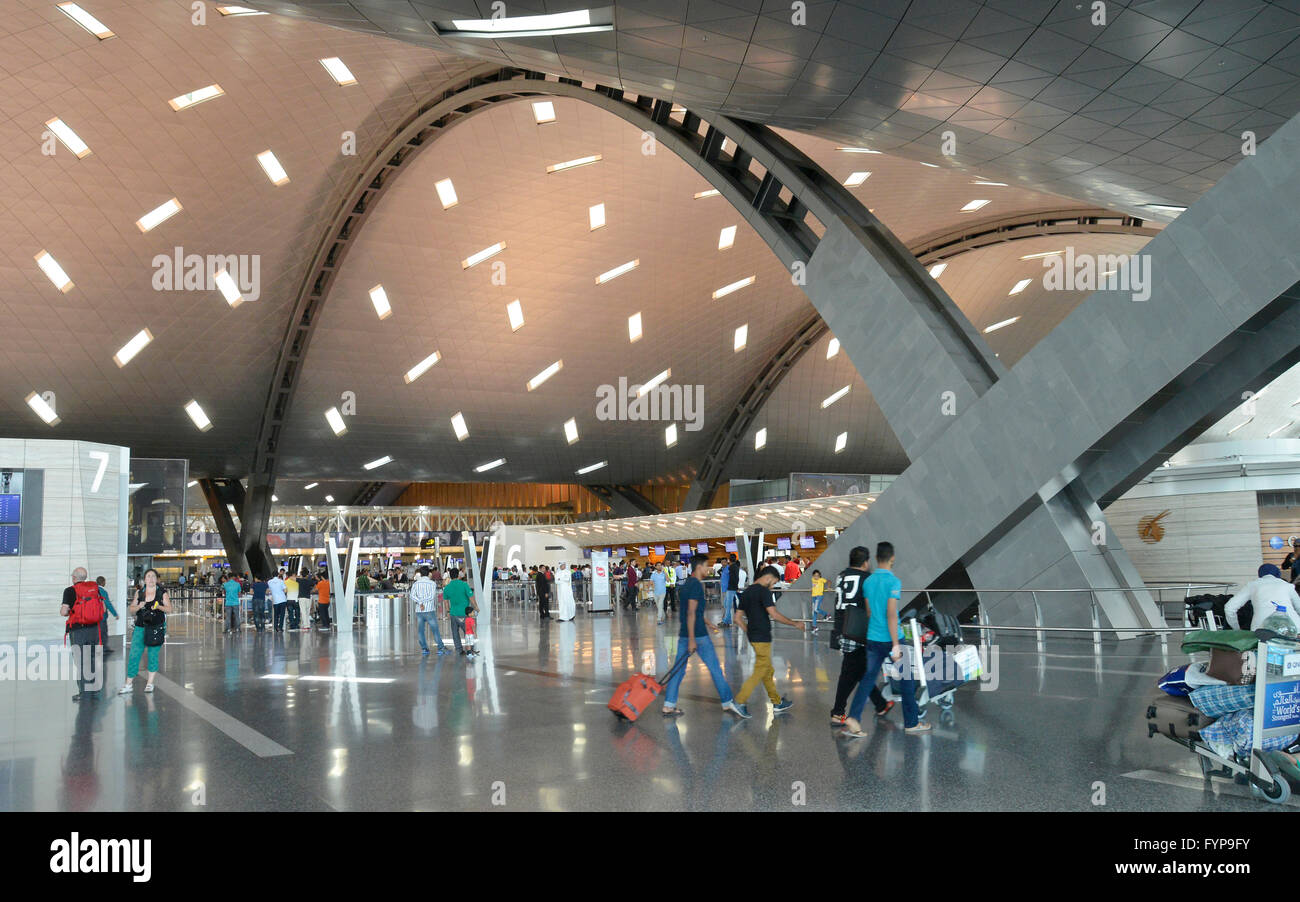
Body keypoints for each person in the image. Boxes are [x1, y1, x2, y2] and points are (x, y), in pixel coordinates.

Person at [843, 542, 930, 737]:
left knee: (868, 679)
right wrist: (896, 644)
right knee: (907, 679)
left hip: (873, 638)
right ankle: (911, 723)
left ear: (876, 558)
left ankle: (854, 717)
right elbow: (892, 614)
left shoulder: (869, 582)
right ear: (892, 558)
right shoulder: (893, 582)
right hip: (891, 638)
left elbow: (868, 611)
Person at [661, 553, 745, 718]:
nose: (709, 569)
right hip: (697, 635)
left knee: (678, 671)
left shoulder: (687, 584)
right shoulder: (696, 585)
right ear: (699, 567)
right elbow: (691, 613)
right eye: (707, 566)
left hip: (685, 633)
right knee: (715, 668)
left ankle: (668, 705)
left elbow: (692, 610)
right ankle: (728, 702)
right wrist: (693, 639)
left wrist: (708, 622)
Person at [830, 546, 893, 726]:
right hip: (859, 630)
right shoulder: (867, 578)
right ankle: (838, 712)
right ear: (866, 562)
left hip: (843, 627)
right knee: (850, 671)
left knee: (859, 669)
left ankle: (880, 704)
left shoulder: (841, 576)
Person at [733, 565, 805, 718]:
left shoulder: (746, 592)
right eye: (773, 583)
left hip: (753, 636)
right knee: (760, 670)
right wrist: (795, 623)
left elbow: (737, 618)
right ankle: (739, 701)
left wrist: (748, 630)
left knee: (767, 671)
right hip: (762, 637)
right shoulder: (764, 591)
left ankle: (777, 702)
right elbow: (774, 614)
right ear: (768, 577)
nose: (772, 586)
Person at [117, 568, 172, 695]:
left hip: (156, 629)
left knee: (153, 655)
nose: (151, 579)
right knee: (134, 655)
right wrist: (139, 606)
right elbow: (131, 609)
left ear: (156, 579)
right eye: (148, 576)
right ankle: (128, 684)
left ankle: (150, 683)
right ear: (144, 579)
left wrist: (159, 607)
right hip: (140, 627)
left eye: (153, 576)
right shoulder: (140, 592)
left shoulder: (162, 593)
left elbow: (169, 609)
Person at [62, 567, 105, 701]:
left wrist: (72, 612)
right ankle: (95, 689)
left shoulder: (69, 591)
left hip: (78, 630)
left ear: (74, 578)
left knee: (80, 661)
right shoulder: (95, 589)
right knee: (92, 658)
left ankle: (83, 692)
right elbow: (102, 608)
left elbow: (64, 612)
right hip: (93, 629)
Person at [1226, 563, 1300, 632]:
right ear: (1278, 573)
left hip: (1262, 629)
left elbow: (1229, 607)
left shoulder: (1253, 585)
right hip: (1293, 627)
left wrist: (1236, 629)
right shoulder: (1287, 585)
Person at [409, 566, 447, 656]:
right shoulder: (432, 584)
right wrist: (423, 602)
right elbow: (431, 596)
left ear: (421, 574)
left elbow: (412, 595)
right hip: (429, 610)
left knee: (420, 630)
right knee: (435, 630)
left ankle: (424, 649)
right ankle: (441, 648)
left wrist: (420, 602)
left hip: (419, 610)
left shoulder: (416, 584)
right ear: (428, 573)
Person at [444, 568, 476, 656]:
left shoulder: (447, 587)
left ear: (450, 576)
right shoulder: (464, 585)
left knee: (455, 632)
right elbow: (471, 598)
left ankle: (459, 650)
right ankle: (470, 649)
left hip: (453, 613)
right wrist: (476, 607)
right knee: (468, 631)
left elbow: (446, 601)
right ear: (458, 575)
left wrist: (448, 612)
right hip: (465, 613)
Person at [95, 575, 118, 656]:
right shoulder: (103, 591)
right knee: (103, 632)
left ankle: (99, 648)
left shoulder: (93, 590)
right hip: (102, 616)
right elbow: (107, 603)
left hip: (93, 616)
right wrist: (115, 614)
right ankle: (103, 648)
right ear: (103, 582)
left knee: (97, 632)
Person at [717, 554, 734, 627]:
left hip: (728, 589)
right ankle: (727, 621)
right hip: (723, 589)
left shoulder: (728, 569)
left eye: (724, 562)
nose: (723, 563)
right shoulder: (723, 569)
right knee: (724, 605)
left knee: (727, 605)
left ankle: (725, 620)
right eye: (722, 562)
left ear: (727, 562)